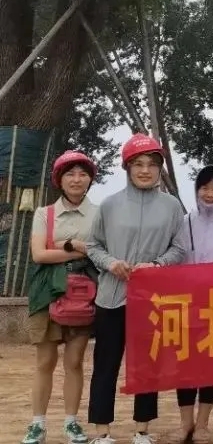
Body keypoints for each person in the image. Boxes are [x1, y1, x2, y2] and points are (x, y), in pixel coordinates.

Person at [86, 134, 187, 444]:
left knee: (147, 366)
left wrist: (157, 265)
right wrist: (111, 263)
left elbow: (179, 248)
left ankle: (142, 429)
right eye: (138, 164)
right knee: (106, 364)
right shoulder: (110, 204)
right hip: (111, 297)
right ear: (127, 168)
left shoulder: (172, 206)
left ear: (159, 169)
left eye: (152, 165)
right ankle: (102, 432)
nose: (145, 170)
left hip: (151, 300)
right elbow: (93, 245)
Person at [21, 151, 99, 444]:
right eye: (70, 174)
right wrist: (77, 248)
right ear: (59, 180)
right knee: (45, 361)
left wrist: (62, 245)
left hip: (84, 293)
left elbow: (101, 251)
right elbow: (39, 254)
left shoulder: (100, 214)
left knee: (75, 361)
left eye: (82, 174)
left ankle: (71, 423)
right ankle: (37, 425)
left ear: (90, 179)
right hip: (47, 292)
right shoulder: (45, 213)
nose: (76, 179)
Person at [168, 165, 213, 444]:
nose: (210, 194)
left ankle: (202, 424)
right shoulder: (183, 222)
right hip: (186, 303)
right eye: (204, 188)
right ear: (196, 190)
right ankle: (185, 423)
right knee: (185, 363)